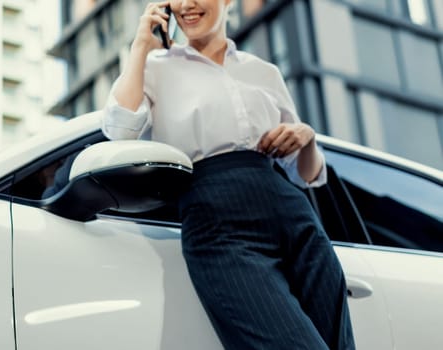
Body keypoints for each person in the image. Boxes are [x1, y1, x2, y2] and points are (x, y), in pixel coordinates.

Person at [102, 1, 355, 349]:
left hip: (295, 220)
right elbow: (119, 130)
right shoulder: (155, 69)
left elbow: (305, 174)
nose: (185, 4)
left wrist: (306, 137)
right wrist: (140, 47)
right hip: (218, 224)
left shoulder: (264, 72)